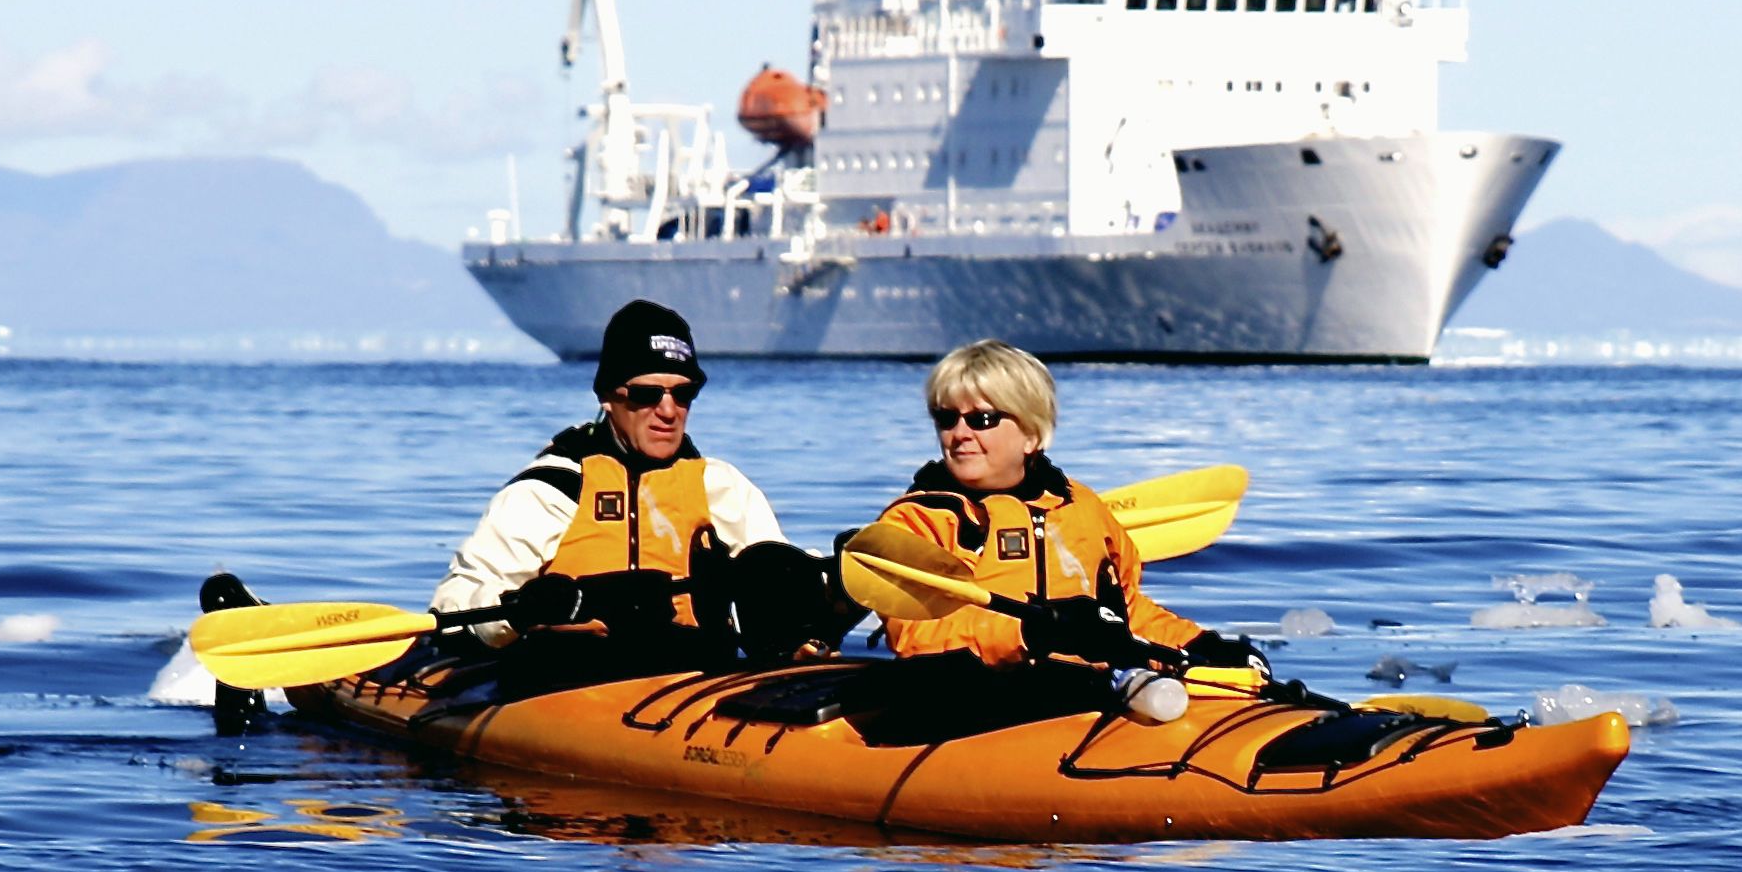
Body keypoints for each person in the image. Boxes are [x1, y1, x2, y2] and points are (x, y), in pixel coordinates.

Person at [431, 298, 816, 677]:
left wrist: (827, 592)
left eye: (683, 394)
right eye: (647, 394)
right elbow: (453, 610)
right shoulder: (553, 489)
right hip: (564, 677)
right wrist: (522, 609)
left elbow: (780, 578)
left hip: (693, 674)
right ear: (608, 396)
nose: (668, 410)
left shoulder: (721, 488)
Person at [870, 339, 1263, 676]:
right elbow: (915, 635)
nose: (959, 434)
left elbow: (1125, 613)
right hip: (970, 698)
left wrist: (1199, 645)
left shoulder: (1080, 507)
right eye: (946, 418)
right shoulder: (917, 521)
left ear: (1031, 433)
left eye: (982, 419)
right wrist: (1029, 634)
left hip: (1081, 691)